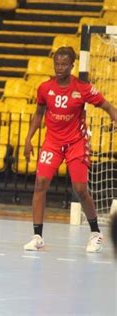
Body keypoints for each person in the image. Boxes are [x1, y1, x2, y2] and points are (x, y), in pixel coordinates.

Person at [23, 46, 117, 253]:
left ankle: (95, 233)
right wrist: (29, 138)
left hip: (76, 142)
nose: (60, 67)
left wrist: (114, 115)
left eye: (64, 64)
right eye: (57, 63)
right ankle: (37, 236)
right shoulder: (44, 88)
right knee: (40, 184)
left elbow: (107, 106)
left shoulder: (82, 88)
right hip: (53, 143)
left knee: (81, 189)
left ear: (72, 65)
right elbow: (39, 113)